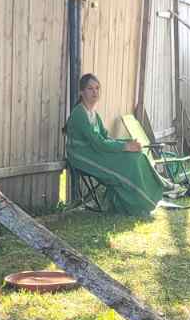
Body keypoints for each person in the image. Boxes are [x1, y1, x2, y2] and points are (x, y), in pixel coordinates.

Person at [65, 74, 171, 217]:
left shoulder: (94, 114)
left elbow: (105, 137)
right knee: (128, 163)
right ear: (82, 93)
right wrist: (125, 147)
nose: (95, 92)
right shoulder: (79, 113)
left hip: (95, 150)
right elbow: (98, 143)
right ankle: (131, 205)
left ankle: (148, 199)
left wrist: (127, 144)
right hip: (81, 154)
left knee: (136, 157)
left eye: (97, 88)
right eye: (90, 89)